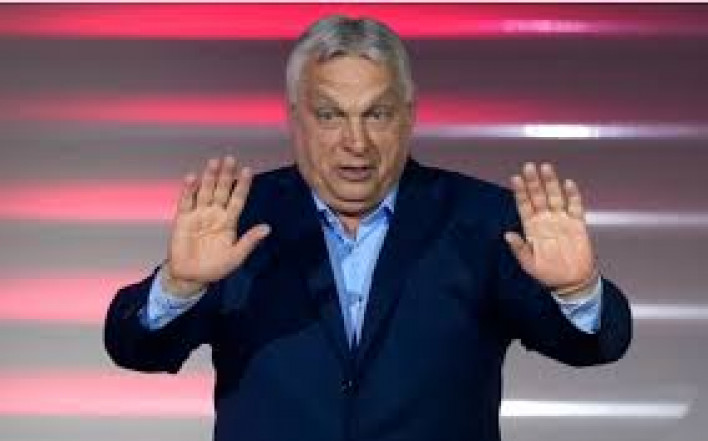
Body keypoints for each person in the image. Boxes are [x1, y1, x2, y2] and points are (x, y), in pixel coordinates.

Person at [104, 15, 632, 441]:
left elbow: (592, 346)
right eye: (330, 116)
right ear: (295, 117)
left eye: (376, 115)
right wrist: (180, 285)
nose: (355, 142)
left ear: (409, 115)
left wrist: (577, 291)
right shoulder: (238, 220)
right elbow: (136, 348)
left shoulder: (482, 220)